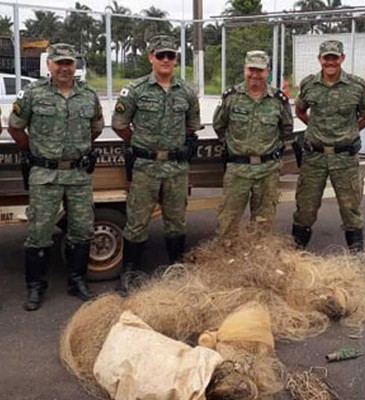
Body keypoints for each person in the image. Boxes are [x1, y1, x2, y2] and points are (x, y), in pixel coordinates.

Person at [8, 43, 104, 311]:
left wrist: (76, 151)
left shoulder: (88, 95)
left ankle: (77, 281)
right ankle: (36, 287)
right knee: (39, 232)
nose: (64, 67)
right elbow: (15, 128)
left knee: (82, 231)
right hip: (45, 174)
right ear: (49, 65)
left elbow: (95, 128)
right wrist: (36, 151)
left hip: (78, 174)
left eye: (69, 63)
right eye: (59, 62)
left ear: (75, 66)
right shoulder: (33, 93)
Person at [112, 35, 201, 290]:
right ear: (151, 57)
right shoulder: (136, 90)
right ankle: (129, 272)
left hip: (175, 168)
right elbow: (120, 124)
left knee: (176, 221)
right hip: (145, 167)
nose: (165, 60)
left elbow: (192, 127)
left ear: (176, 60)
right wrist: (140, 143)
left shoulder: (186, 91)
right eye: (160, 55)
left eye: (170, 56)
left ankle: (176, 268)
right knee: (137, 221)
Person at [292, 40, 365, 252]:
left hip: (345, 158)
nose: (330, 62)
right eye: (326, 58)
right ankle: (295, 255)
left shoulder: (356, 86)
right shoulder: (309, 84)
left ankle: (357, 256)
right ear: (319, 59)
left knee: (350, 208)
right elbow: (300, 111)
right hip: (314, 158)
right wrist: (316, 128)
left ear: (342, 58)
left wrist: (350, 130)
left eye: (335, 57)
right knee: (305, 207)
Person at [213, 50, 293, 238]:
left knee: (263, 223)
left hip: (267, 170)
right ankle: (227, 258)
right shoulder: (231, 97)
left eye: (260, 70)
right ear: (245, 69)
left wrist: (267, 149)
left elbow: (286, 129)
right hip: (238, 170)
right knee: (228, 221)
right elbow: (219, 126)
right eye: (251, 69)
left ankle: (258, 260)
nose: (255, 74)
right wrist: (237, 147)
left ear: (268, 71)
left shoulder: (278, 100)